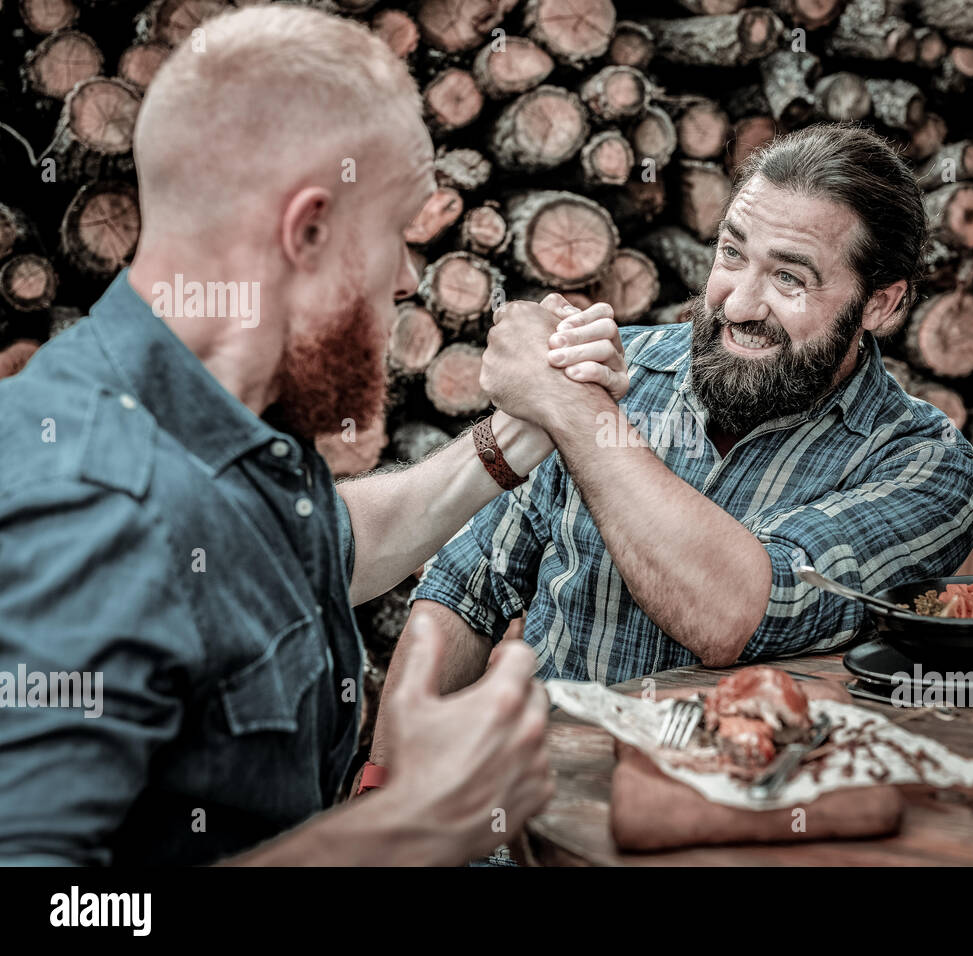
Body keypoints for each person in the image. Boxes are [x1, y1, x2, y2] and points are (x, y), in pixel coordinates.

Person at [0, 5, 629, 866]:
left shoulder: (204, 413)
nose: (409, 280)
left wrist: (516, 438)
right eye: (397, 234)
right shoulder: (90, 505)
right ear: (308, 231)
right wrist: (412, 826)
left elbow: (307, 547)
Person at [367, 123, 973, 776]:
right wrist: (382, 791)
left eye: (790, 277)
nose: (740, 303)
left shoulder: (925, 466)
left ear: (880, 304)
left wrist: (577, 413)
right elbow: (463, 593)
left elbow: (735, 614)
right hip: (531, 815)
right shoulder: (617, 369)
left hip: (739, 832)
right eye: (731, 255)